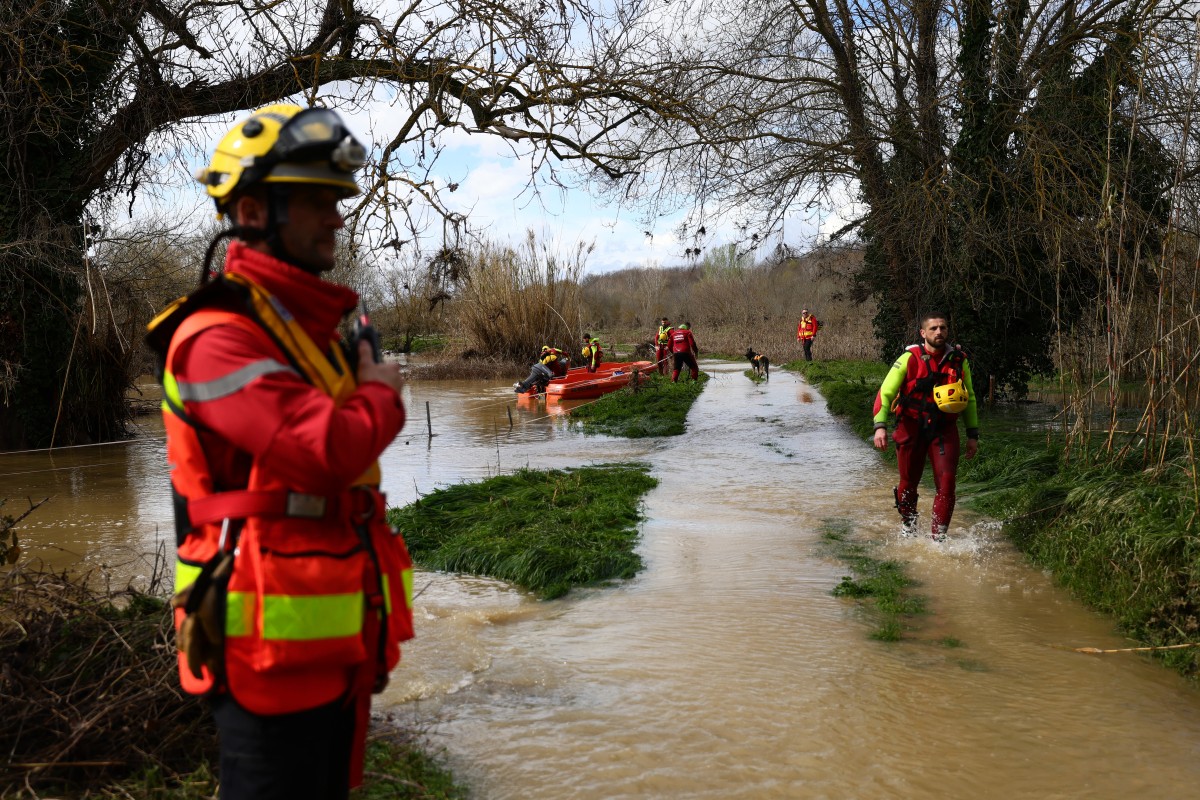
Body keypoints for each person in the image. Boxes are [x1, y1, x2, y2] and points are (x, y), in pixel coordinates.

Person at [145, 104, 414, 800]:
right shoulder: (214, 337)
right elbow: (324, 451)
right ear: (256, 210)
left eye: (339, 199)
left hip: (330, 646)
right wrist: (380, 391)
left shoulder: (303, 334)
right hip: (262, 657)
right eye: (320, 201)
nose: (338, 218)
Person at [872, 312, 979, 541]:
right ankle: (908, 526)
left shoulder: (959, 359)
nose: (939, 332)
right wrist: (880, 426)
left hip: (944, 429)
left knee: (947, 482)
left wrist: (973, 434)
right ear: (923, 333)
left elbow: (969, 398)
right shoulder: (909, 358)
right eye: (933, 328)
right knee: (908, 482)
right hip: (911, 426)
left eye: (943, 327)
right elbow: (886, 392)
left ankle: (938, 538)